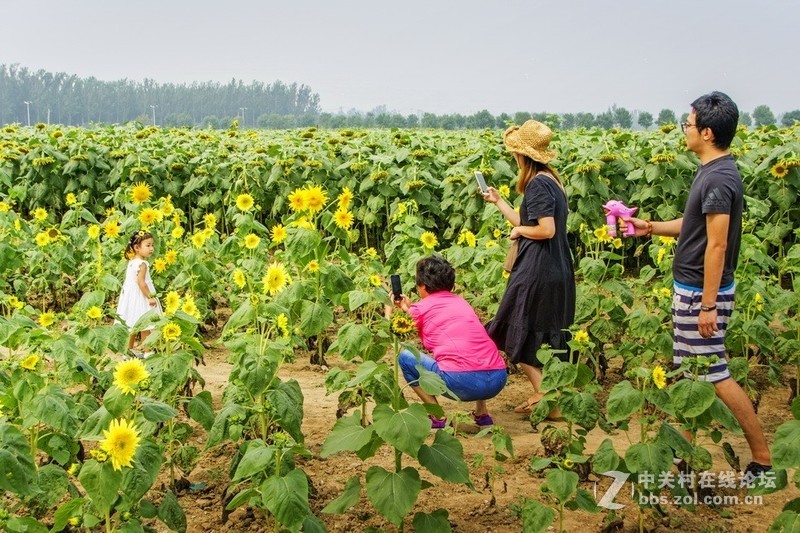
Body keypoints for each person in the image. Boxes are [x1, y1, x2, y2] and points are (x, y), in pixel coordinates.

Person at [623, 91, 771, 477]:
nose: (683, 130)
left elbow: (717, 245)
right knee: (692, 373)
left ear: (707, 132)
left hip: (701, 295)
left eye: (687, 124)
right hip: (694, 291)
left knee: (715, 375)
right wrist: (650, 227)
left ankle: (762, 459)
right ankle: (681, 455)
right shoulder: (712, 171)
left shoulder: (718, 179)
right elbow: (695, 227)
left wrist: (707, 305)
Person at [482, 120, 575, 415]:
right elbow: (529, 221)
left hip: (538, 269)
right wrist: (499, 202)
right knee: (541, 334)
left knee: (515, 331)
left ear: (522, 155)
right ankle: (548, 397)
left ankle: (546, 396)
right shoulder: (551, 180)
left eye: (514, 153)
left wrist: (520, 232)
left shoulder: (537, 185)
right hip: (555, 267)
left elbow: (544, 230)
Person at [393, 255, 507, 428]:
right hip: (497, 378)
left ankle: (437, 416)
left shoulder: (420, 309)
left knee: (405, 357)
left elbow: (397, 330)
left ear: (422, 286)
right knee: (474, 349)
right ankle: (482, 413)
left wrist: (390, 309)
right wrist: (407, 308)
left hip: (461, 382)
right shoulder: (461, 302)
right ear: (451, 285)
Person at [116, 230, 162, 357]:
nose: (151, 248)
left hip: (131, 298)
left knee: (132, 325)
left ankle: (127, 353)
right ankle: (148, 352)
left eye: (152, 245)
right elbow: (141, 283)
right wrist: (150, 297)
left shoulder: (132, 262)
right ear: (137, 248)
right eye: (148, 245)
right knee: (145, 325)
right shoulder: (142, 264)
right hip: (141, 297)